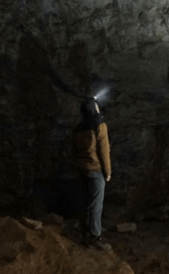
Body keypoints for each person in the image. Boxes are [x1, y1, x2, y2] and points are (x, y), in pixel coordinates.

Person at [73, 97, 112, 250]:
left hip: (81, 169)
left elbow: (74, 150)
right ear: (93, 108)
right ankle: (95, 238)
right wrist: (107, 172)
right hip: (95, 170)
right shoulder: (99, 125)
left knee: (85, 203)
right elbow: (104, 150)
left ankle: (84, 236)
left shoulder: (78, 128)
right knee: (95, 205)